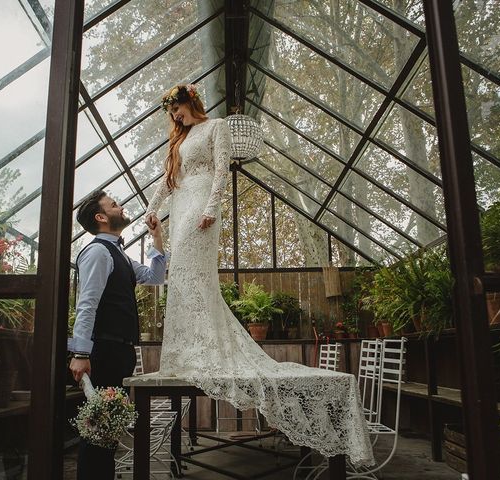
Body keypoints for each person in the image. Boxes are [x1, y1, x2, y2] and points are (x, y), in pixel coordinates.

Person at [144, 84, 374, 467]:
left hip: (202, 203)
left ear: (190, 102)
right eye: (171, 113)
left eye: (178, 109)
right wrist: (152, 209)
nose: (175, 117)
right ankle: (188, 350)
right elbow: (169, 179)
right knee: (179, 276)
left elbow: (222, 169)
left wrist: (214, 207)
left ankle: (208, 349)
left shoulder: (216, 126)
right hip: (182, 201)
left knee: (196, 275)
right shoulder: (180, 140)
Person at [69, 190, 166, 480]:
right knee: (98, 433)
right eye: (114, 205)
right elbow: (87, 304)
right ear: (101, 217)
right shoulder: (98, 252)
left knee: (108, 433)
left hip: (120, 352)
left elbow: (155, 277)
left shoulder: (119, 255)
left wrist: (157, 238)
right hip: (102, 352)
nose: (121, 207)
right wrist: (81, 353)